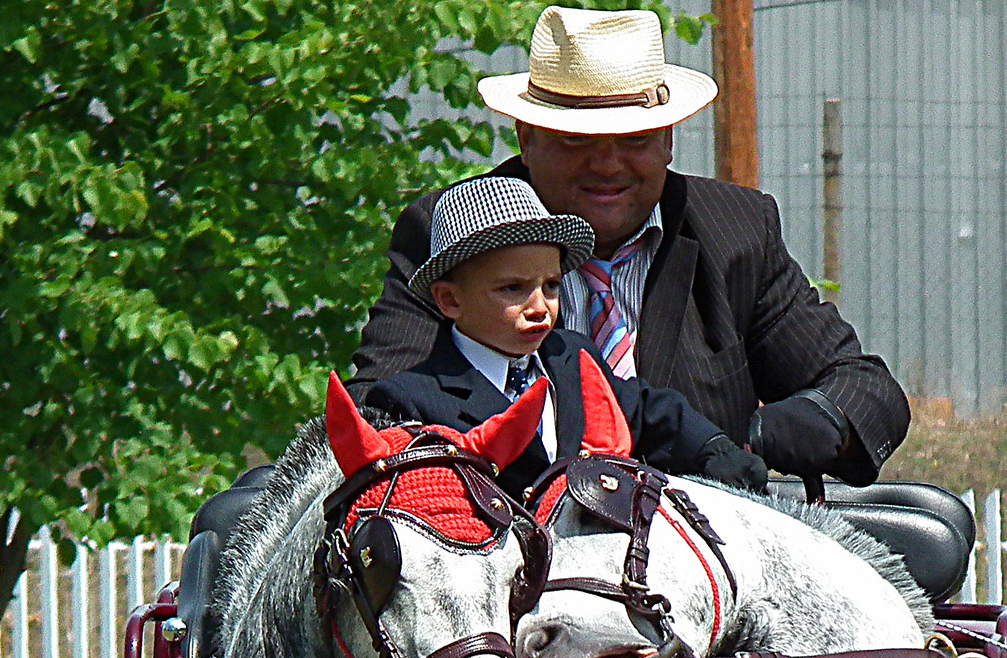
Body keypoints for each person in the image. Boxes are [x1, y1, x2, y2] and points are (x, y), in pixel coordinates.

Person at [349, 6, 909, 487]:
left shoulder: (736, 231)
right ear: (526, 137)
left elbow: (865, 391)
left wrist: (744, 440)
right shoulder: (457, 233)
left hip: (705, 562)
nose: (608, 165)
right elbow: (374, 413)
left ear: (668, 139)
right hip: (509, 560)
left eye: (635, 140)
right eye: (577, 140)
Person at [362, 175, 767, 501]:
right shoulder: (411, 399)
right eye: (512, 289)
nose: (540, 306)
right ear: (449, 300)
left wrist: (712, 448)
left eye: (552, 285)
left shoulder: (570, 355)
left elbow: (645, 409)